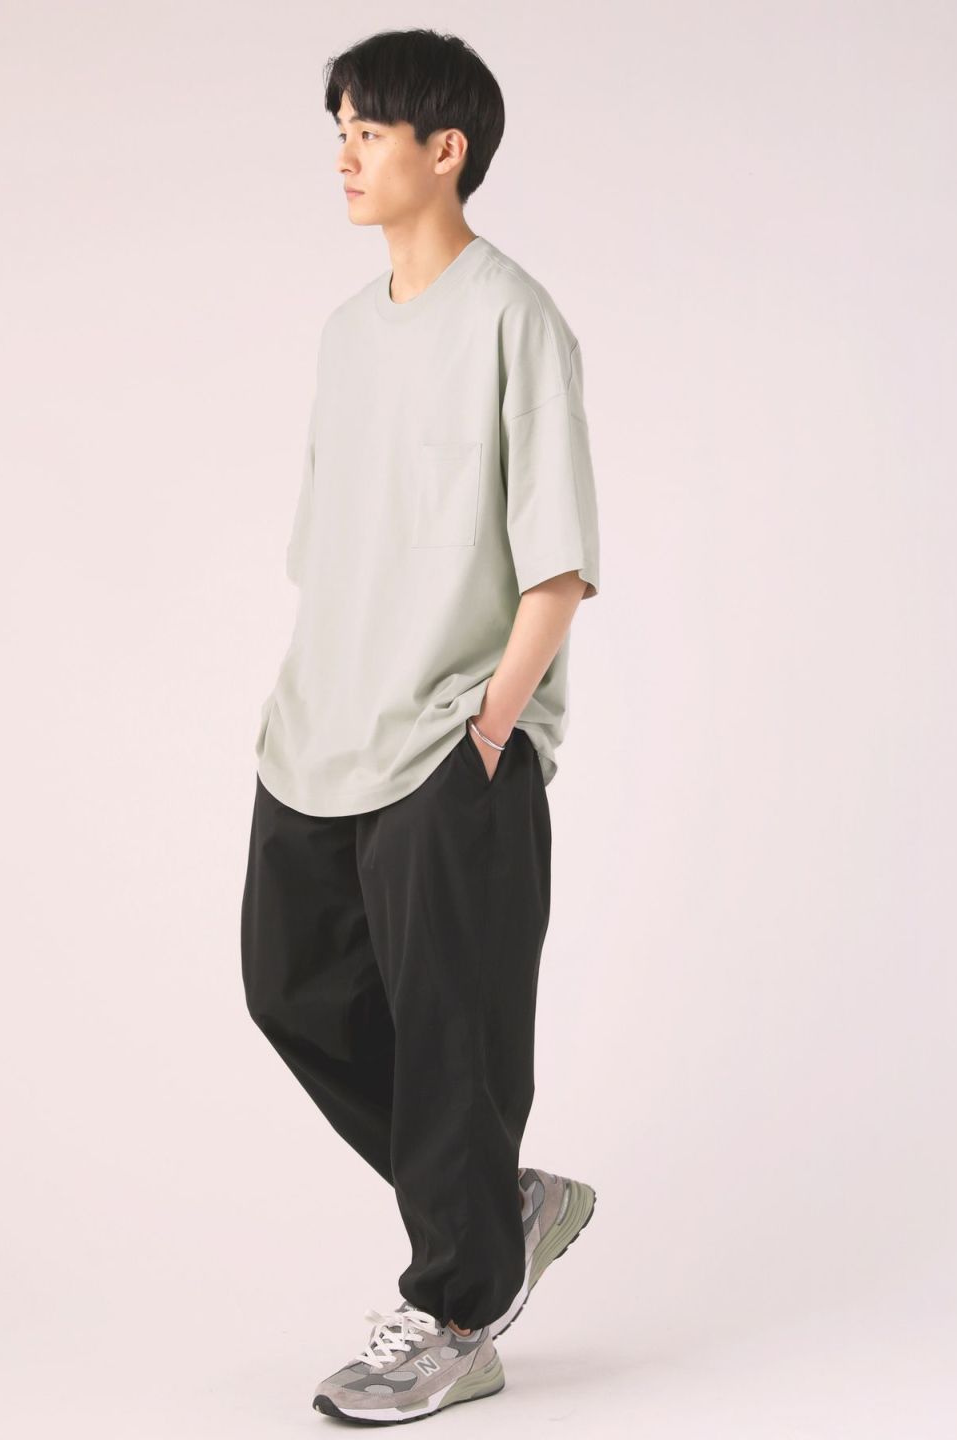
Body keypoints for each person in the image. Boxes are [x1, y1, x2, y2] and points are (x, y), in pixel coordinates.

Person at [240, 28, 601, 1424]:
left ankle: (457, 1313)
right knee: (289, 986)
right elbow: (334, 546)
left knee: (451, 1031)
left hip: (453, 740)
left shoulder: (517, 319)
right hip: (320, 725)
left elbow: (556, 565)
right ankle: (495, 1203)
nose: (343, 153)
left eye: (369, 130)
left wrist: (492, 732)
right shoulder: (345, 335)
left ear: (445, 151)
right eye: (337, 127)